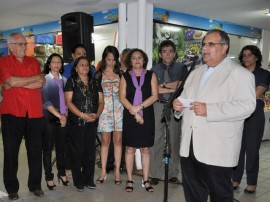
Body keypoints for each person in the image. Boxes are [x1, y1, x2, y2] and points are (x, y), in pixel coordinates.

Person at [173, 29, 256, 201]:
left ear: (224, 47)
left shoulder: (240, 74)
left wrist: (210, 110)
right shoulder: (195, 72)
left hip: (217, 148)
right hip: (190, 146)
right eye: (204, 44)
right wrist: (178, 105)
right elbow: (186, 97)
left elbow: (247, 106)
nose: (205, 48)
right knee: (193, 194)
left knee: (220, 196)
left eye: (211, 44)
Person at [0, 32, 46, 200]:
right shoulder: (3, 61)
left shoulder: (33, 61)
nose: (23, 47)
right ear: (10, 46)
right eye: (20, 44)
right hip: (12, 112)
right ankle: (12, 188)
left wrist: (17, 82)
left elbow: (41, 82)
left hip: (34, 112)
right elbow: (11, 82)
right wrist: (28, 81)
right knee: (11, 152)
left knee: (35, 151)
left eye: (24, 44)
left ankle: (35, 185)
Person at [119, 48, 158, 192]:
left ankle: (146, 180)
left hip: (147, 114)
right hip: (130, 115)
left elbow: (155, 96)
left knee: (146, 149)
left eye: (139, 57)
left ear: (144, 60)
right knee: (129, 148)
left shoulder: (151, 75)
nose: (137, 60)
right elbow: (122, 97)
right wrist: (135, 112)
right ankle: (129, 179)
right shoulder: (125, 76)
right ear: (130, 61)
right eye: (134, 58)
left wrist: (139, 107)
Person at [232, 45, 270, 193]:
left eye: (249, 55)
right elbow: (230, 94)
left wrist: (250, 95)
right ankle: (235, 179)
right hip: (236, 115)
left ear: (256, 57)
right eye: (244, 55)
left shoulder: (263, 74)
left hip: (255, 116)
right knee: (237, 149)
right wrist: (251, 95)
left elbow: (257, 93)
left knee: (252, 150)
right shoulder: (237, 73)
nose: (246, 58)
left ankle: (252, 182)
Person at [150, 40, 187, 185]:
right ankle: (155, 173)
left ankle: (173, 173)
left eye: (170, 51)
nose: (168, 54)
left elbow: (183, 85)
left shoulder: (181, 68)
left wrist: (164, 85)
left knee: (174, 140)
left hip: (175, 106)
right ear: (160, 54)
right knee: (156, 140)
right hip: (157, 106)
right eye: (164, 51)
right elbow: (154, 89)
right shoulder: (154, 69)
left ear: (174, 53)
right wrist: (174, 87)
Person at [64, 56, 104, 192]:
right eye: (81, 65)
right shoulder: (71, 82)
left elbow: (101, 102)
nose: (85, 67)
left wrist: (97, 114)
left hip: (92, 120)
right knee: (77, 151)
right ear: (76, 68)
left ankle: (89, 179)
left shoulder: (95, 82)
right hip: (77, 121)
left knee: (90, 151)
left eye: (87, 65)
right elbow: (68, 102)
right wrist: (82, 115)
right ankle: (78, 181)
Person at [62, 44, 95, 178]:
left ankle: (86, 173)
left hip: (89, 112)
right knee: (72, 143)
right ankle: (70, 167)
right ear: (73, 56)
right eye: (79, 53)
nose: (82, 56)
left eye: (84, 53)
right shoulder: (65, 70)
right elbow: (66, 96)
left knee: (88, 145)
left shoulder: (91, 70)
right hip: (71, 110)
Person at [41, 53, 70, 191]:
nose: (56, 64)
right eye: (54, 62)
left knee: (61, 148)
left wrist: (65, 116)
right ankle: (49, 177)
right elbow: (46, 102)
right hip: (49, 116)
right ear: (49, 64)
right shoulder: (44, 80)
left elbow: (69, 101)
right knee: (47, 148)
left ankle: (62, 173)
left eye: (59, 62)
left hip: (63, 116)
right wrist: (60, 115)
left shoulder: (65, 81)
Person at [95, 46, 123, 185]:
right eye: (109, 59)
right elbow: (93, 93)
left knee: (118, 141)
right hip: (105, 111)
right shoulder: (98, 74)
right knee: (105, 142)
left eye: (114, 59)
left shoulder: (121, 73)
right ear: (104, 59)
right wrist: (101, 88)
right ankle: (103, 171)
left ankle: (117, 170)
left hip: (119, 111)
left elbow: (126, 93)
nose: (111, 62)